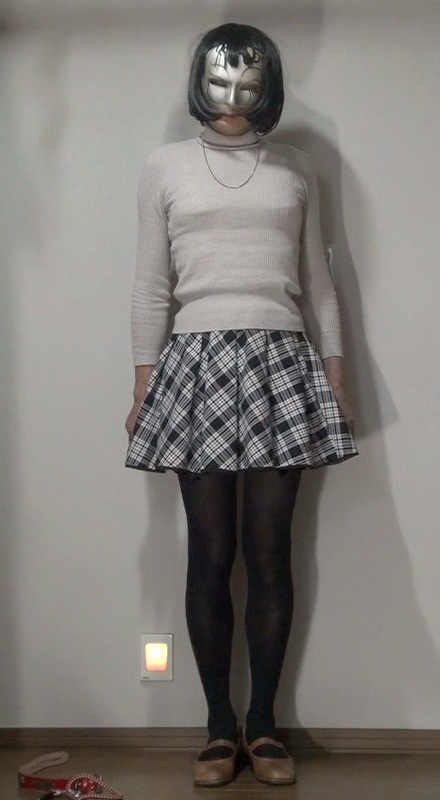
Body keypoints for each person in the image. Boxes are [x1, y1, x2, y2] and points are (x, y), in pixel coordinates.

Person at [125, 22, 359, 787]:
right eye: (220, 78)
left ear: (269, 82)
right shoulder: (163, 166)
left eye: (249, 78)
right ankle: (217, 728)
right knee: (209, 554)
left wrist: (334, 373)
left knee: (269, 554)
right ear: (200, 77)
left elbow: (319, 281)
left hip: (281, 361)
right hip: (193, 364)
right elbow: (151, 285)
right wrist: (143, 382)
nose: (233, 94)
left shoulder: (296, 169)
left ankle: (263, 726)